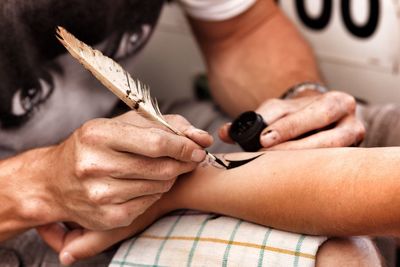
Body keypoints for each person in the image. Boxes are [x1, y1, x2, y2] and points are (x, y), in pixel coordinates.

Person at [0, 0, 379, 266]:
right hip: (22, 207)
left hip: (134, 133)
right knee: (339, 255)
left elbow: (242, 32)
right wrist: (40, 185)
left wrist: (301, 100)